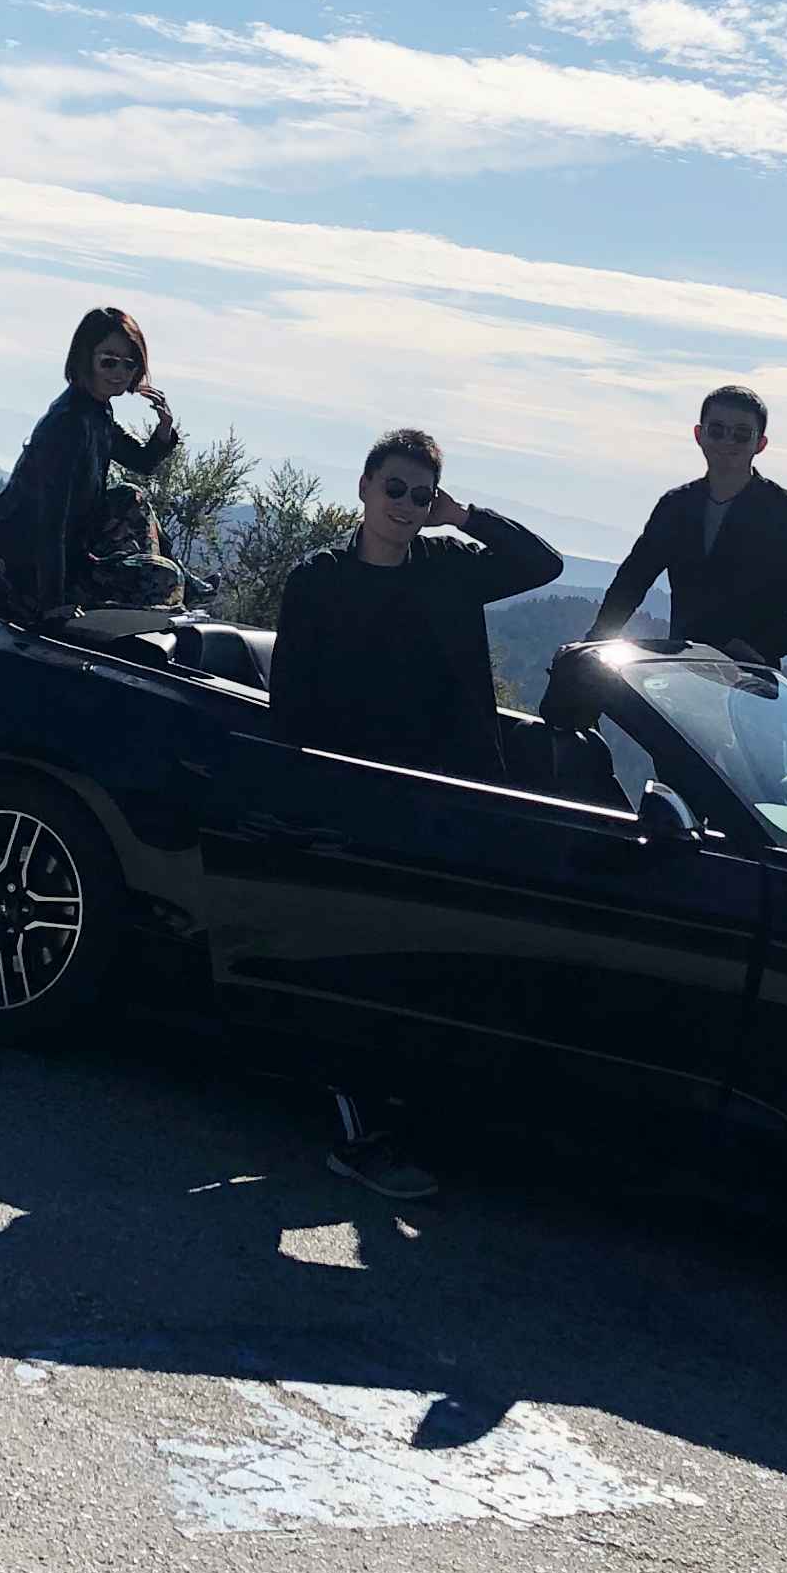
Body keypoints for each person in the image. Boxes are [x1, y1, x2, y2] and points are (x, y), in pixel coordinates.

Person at [268, 427, 563, 1199]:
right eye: (393, 488)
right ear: (364, 488)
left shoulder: (450, 568)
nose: (404, 505)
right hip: (360, 806)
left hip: (455, 806)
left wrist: (465, 517)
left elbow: (543, 565)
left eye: (420, 495)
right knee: (366, 971)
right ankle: (358, 1135)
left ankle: (423, 1125)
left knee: (440, 971)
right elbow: (290, 703)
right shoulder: (320, 580)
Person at [586, 383, 787, 665]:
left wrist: (765, 648)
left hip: (751, 676)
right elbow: (632, 581)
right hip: (684, 671)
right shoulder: (676, 506)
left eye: (741, 434)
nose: (728, 442)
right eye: (717, 430)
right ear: (699, 434)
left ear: (760, 444)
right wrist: (596, 640)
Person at [0, 306, 188, 627]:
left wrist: (164, 429)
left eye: (129, 363)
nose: (119, 372)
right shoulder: (68, 424)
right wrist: (53, 606)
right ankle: (165, 595)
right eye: (109, 361)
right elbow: (49, 522)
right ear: (85, 357)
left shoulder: (96, 412)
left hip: (69, 560)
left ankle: (180, 586)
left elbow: (141, 461)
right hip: (20, 579)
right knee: (163, 579)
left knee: (130, 497)